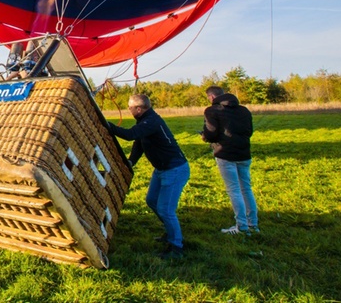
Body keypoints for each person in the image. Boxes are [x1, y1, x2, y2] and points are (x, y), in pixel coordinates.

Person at [107, 94, 190, 259]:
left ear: (138, 108)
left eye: (130, 108)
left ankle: (176, 247)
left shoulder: (151, 121)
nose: (129, 110)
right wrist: (131, 161)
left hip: (174, 169)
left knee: (166, 209)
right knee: (152, 201)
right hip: (161, 169)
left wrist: (108, 126)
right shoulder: (145, 122)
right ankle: (171, 232)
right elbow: (139, 143)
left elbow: (130, 135)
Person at [202, 86, 259, 235]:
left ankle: (241, 226)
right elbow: (249, 131)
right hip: (244, 153)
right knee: (246, 188)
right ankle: (253, 223)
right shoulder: (244, 110)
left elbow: (211, 134)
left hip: (225, 154)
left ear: (212, 97)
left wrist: (204, 136)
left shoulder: (212, 111)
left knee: (234, 190)